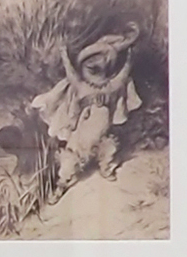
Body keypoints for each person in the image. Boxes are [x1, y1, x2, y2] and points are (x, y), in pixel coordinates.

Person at [26, 22, 144, 189]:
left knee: (107, 149)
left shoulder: (111, 86)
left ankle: (105, 169)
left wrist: (130, 59)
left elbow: (124, 74)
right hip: (80, 137)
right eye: (92, 69)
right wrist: (64, 54)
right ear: (84, 69)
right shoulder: (82, 86)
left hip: (101, 133)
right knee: (71, 158)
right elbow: (71, 73)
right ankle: (62, 184)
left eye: (101, 70)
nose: (98, 73)